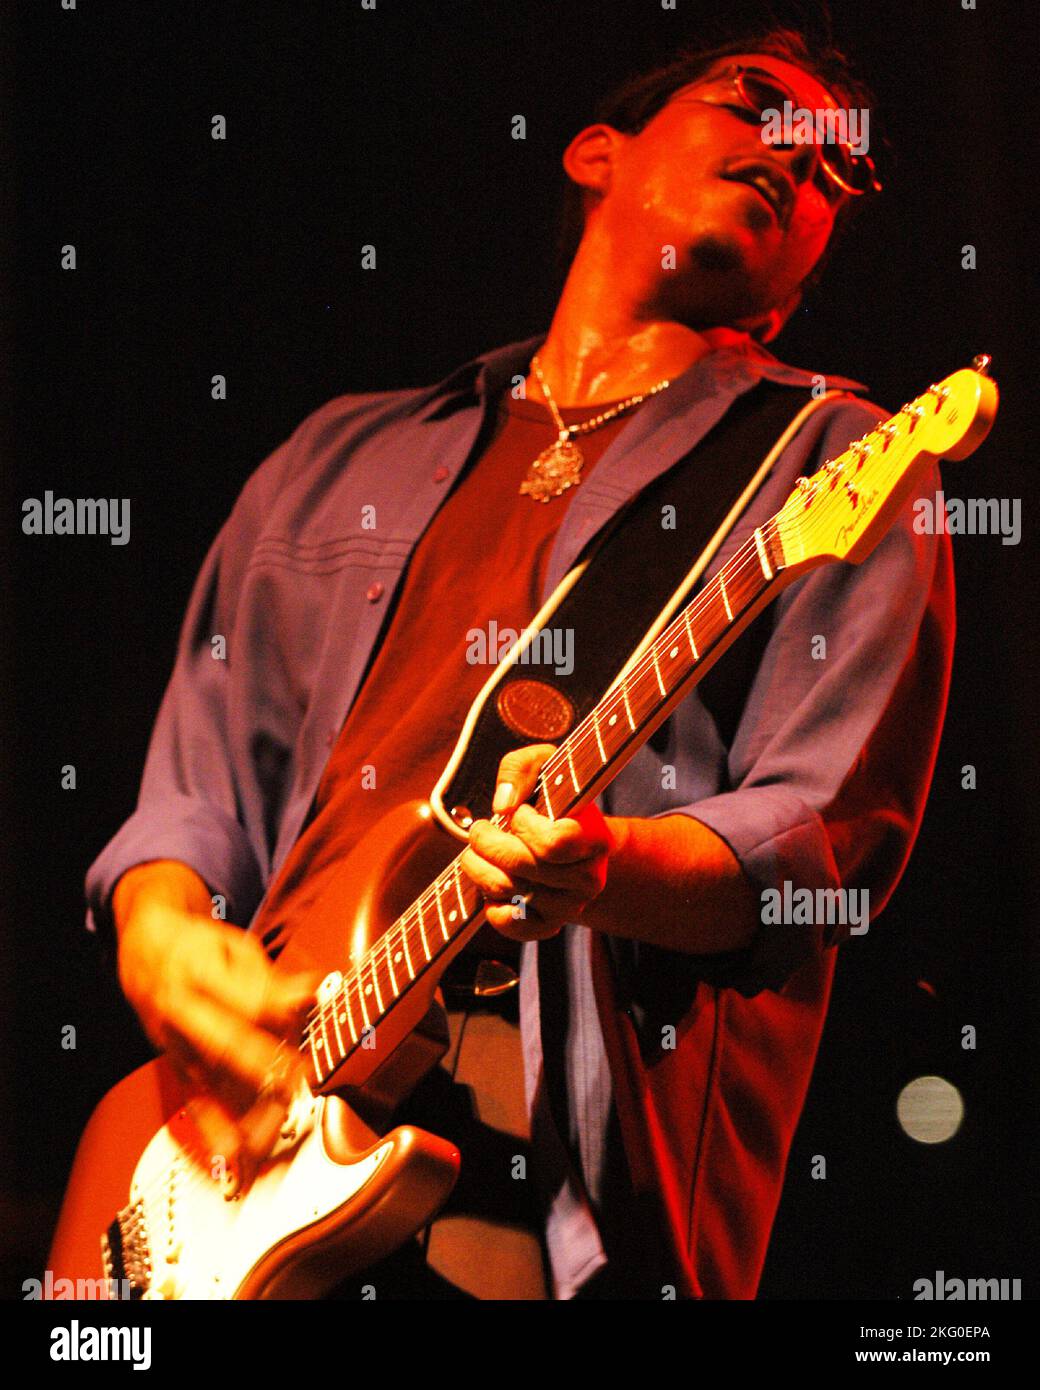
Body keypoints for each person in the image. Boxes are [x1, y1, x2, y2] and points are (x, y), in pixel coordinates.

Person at [87, 27, 954, 1299]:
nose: (796, 157)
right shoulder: (336, 457)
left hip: (531, 1183)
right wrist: (157, 935)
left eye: (836, 170)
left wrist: (609, 862)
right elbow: (192, 795)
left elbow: (819, 843)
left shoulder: (831, 460)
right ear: (597, 153)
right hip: (229, 1152)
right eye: (757, 106)